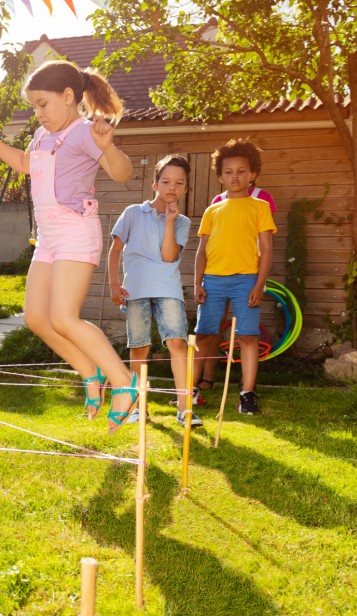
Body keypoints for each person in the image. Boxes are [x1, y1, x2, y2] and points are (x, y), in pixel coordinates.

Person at [0, 60, 138, 433]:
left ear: (68, 97)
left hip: (75, 232)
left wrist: (108, 148)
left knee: (64, 317)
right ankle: (90, 373)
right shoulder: (41, 135)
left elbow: (123, 173)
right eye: (34, 106)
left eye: (43, 104)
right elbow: (24, 164)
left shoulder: (84, 133)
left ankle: (125, 382)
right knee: (36, 318)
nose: (39, 113)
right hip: (47, 237)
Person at [107, 154, 201, 427]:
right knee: (139, 348)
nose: (172, 187)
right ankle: (138, 407)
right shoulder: (133, 213)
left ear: (185, 188)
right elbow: (115, 250)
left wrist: (170, 222)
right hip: (135, 289)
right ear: (155, 184)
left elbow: (169, 256)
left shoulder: (182, 222)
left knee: (177, 343)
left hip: (168, 288)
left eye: (179, 183)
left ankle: (184, 409)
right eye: (167, 181)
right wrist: (114, 283)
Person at [193, 139, 276, 415]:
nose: (235, 177)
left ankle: (247, 394)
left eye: (241, 171)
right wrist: (197, 282)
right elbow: (201, 251)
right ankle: (190, 390)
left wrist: (259, 284)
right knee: (204, 335)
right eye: (228, 172)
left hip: (246, 280)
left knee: (248, 337)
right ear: (220, 176)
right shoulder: (212, 210)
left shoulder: (259, 207)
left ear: (252, 175)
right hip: (213, 281)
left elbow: (266, 249)